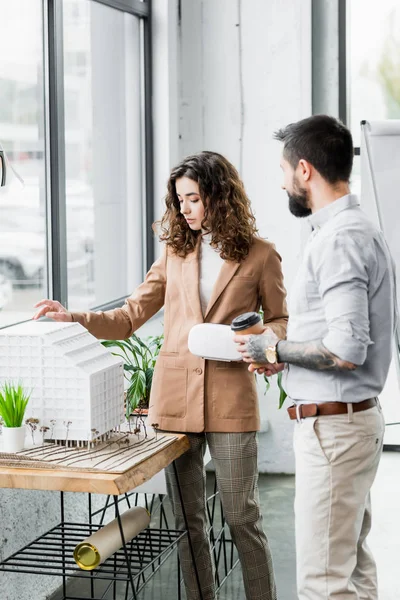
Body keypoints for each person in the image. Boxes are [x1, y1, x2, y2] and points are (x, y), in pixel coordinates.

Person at [34, 151, 288, 600]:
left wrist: (260, 339)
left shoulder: (261, 255)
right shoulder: (175, 252)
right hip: (175, 401)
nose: (185, 208)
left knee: (242, 518)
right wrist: (71, 317)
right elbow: (130, 316)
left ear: (218, 195)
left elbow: (282, 320)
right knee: (187, 519)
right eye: (180, 200)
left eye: (193, 198)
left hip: (231, 399)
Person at [235, 115, 396, 600]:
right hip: (347, 426)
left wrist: (274, 348)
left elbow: (347, 349)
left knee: (323, 584)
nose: (282, 180)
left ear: (305, 170)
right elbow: (336, 336)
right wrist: (287, 358)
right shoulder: (350, 230)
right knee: (352, 570)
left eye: (285, 169)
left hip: (335, 433)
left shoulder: (342, 239)